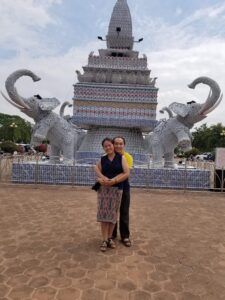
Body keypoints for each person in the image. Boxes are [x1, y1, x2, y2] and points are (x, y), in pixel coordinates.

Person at [94, 138, 130, 252]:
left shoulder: (122, 158)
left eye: (109, 145)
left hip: (117, 189)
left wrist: (114, 180)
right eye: (105, 146)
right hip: (104, 190)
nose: (108, 147)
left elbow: (126, 172)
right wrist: (101, 178)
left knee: (113, 215)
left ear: (112, 146)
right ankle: (104, 239)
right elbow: (96, 169)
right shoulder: (103, 159)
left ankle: (110, 238)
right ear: (103, 148)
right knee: (104, 215)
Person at [112, 137, 133, 247]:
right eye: (116, 143)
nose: (118, 146)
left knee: (124, 211)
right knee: (112, 212)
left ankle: (125, 236)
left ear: (124, 145)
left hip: (124, 188)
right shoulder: (108, 156)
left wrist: (113, 180)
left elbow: (126, 173)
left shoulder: (128, 157)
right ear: (113, 144)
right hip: (111, 189)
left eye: (121, 144)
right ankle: (112, 234)